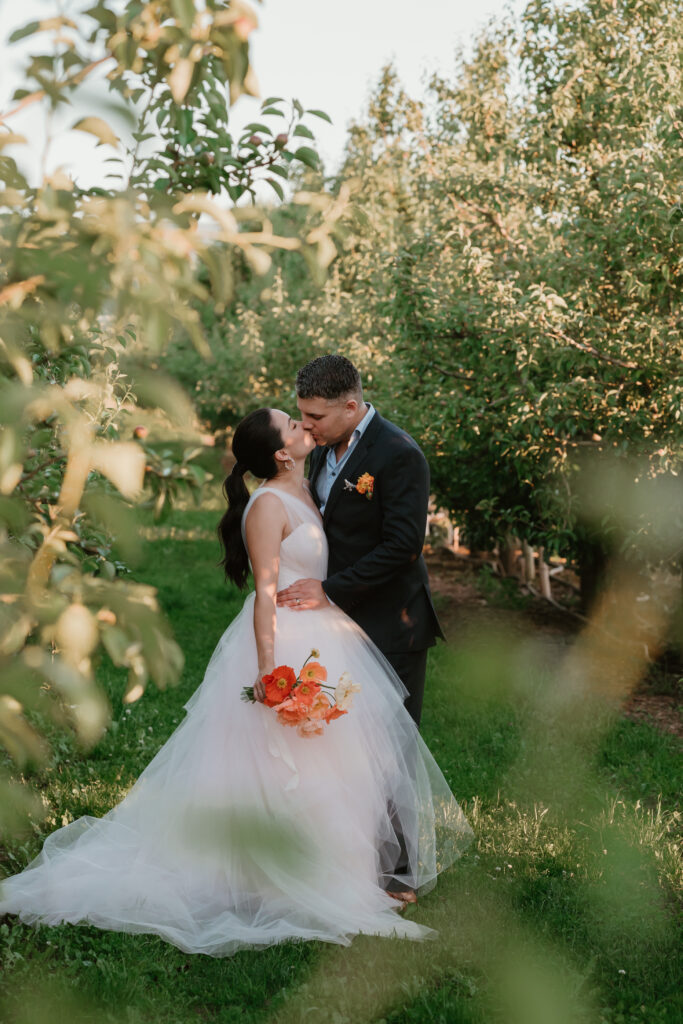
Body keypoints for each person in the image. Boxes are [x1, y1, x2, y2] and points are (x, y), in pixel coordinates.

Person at [0, 408, 471, 956]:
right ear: (280, 453)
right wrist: (272, 675)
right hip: (286, 643)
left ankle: (337, 868)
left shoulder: (309, 485)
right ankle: (276, 877)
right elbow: (266, 595)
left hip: (326, 634)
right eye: (293, 426)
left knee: (336, 761)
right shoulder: (267, 506)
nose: (304, 427)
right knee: (279, 763)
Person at [278, 355, 444, 728]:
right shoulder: (321, 445)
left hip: (390, 622)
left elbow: (403, 545)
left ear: (350, 407)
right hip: (336, 622)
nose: (306, 425)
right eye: (302, 414)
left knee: (390, 746)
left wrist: (330, 589)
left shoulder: (399, 453)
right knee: (345, 741)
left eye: (315, 417)